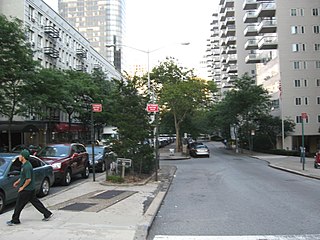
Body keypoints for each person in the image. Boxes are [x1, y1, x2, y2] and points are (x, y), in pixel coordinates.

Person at [6, 149, 53, 226]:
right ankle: (47, 214)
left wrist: (22, 187)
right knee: (36, 202)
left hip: (26, 189)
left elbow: (28, 179)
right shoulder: (24, 165)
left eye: (20, 155)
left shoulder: (27, 166)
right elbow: (23, 177)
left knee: (18, 205)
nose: (19, 157)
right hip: (30, 189)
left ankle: (15, 220)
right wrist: (17, 182)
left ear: (23, 157)